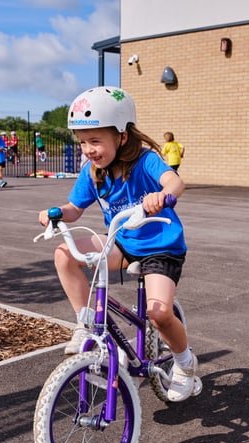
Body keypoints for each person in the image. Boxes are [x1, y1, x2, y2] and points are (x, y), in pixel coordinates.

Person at [37, 86, 197, 402]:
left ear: (122, 136)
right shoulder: (92, 171)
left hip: (161, 246)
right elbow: (75, 209)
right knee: (65, 254)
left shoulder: (145, 161)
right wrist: (56, 214)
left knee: (159, 314)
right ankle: (88, 326)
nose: (88, 149)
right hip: (122, 242)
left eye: (96, 141)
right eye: (82, 142)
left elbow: (175, 181)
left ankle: (185, 363)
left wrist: (162, 196)